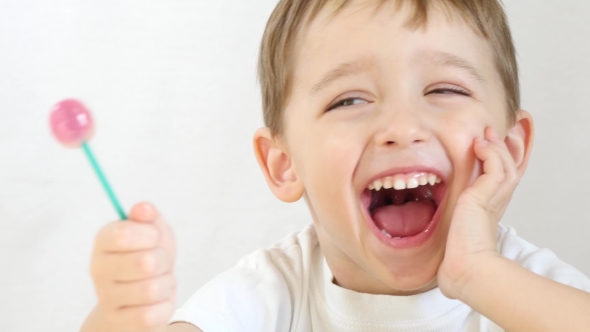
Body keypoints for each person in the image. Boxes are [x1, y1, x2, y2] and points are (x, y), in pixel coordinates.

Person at [80, 0, 590, 331]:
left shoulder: (531, 288)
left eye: (445, 89)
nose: (402, 125)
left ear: (511, 149)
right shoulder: (271, 294)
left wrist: (478, 273)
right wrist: (118, 318)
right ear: (284, 165)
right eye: (349, 101)